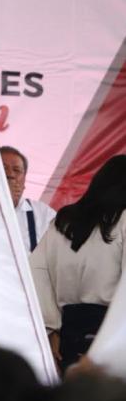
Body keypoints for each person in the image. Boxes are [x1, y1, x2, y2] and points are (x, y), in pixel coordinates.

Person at [31, 154, 126, 371]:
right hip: (114, 330)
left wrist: (50, 328)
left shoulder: (62, 223)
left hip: (68, 331)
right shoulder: (123, 220)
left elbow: (36, 272)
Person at [1, 145, 55, 252]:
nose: (10, 174)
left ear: (24, 180)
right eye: (3, 168)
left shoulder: (43, 214)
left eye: (16, 170)